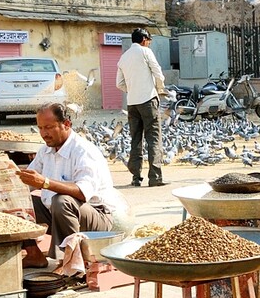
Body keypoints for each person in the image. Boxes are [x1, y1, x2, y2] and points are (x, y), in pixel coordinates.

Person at [17, 103, 126, 268]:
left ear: (66, 124)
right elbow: (26, 183)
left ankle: (69, 262)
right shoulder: (44, 151)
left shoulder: (84, 151)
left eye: (49, 127)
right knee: (18, 201)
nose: (44, 134)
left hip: (96, 216)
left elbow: (82, 193)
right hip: (57, 214)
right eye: (40, 128)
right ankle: (33, 254)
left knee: (62, 201)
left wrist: (45, 183)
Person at [116, 27, 166, 187]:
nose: (149, 44)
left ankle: (136, 178)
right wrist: (160, 89)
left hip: (132, 103)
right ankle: (155, 178)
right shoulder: (145, 52)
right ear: (144, 39)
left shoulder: (123, 58)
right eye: (149, 41)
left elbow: (119, 84)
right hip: (148, 99)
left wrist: (132, 89)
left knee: (135, 140)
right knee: (153, 138)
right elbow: (158, 73)